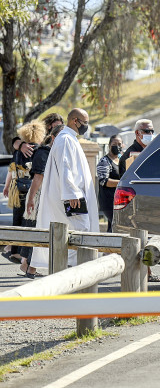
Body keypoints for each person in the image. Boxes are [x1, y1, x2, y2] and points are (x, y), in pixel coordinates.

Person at [29, 109, 99, 272]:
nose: (86, 126)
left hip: (72, 196)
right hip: (72, 198)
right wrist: (72, 193)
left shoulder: (69, 138)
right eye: (85, 122)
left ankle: (71, 266)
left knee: (77, 229)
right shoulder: (66, 139)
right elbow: (65, 167)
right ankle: (72, 267)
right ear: (75, 121)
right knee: (81, 229)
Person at [118, 118, 160, 282]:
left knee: (145, 239)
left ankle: (144, 273)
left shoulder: (150, 150)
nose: (150, 134)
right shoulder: (131, 155)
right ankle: (144, 274)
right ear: (137, 133)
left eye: (152, 131)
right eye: (147, 131)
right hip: (135, 203)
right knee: (138, 239)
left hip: (149, 201)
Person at [20, 124, 63, 277]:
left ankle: (28, 265)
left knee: (40, 231)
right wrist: (31, 199)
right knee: (37, 230)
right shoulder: (43, 152)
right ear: (53, 138)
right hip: (39, 196)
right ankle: (28, 266)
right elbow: (38, 177)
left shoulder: (56, 152)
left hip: (49, 197)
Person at [1, 121, 46, 266]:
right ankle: (24, 255)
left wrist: (6, 187)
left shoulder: (18, 151)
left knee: (17, 221)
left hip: (17, 190)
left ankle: (14, 251)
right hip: (33, 191)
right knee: (29, 223)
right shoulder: (39, 151)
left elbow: (11, 170)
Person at [97, 134, 123, 233]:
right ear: (109, 146)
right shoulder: (104, 161)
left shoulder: (121, 160)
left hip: (119, 201)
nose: (117, 146)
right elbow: (104, 181)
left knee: (113, 226)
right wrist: (121, 183)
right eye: (114, 144)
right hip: (108, 201)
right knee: (116, 224)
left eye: (119, 144)